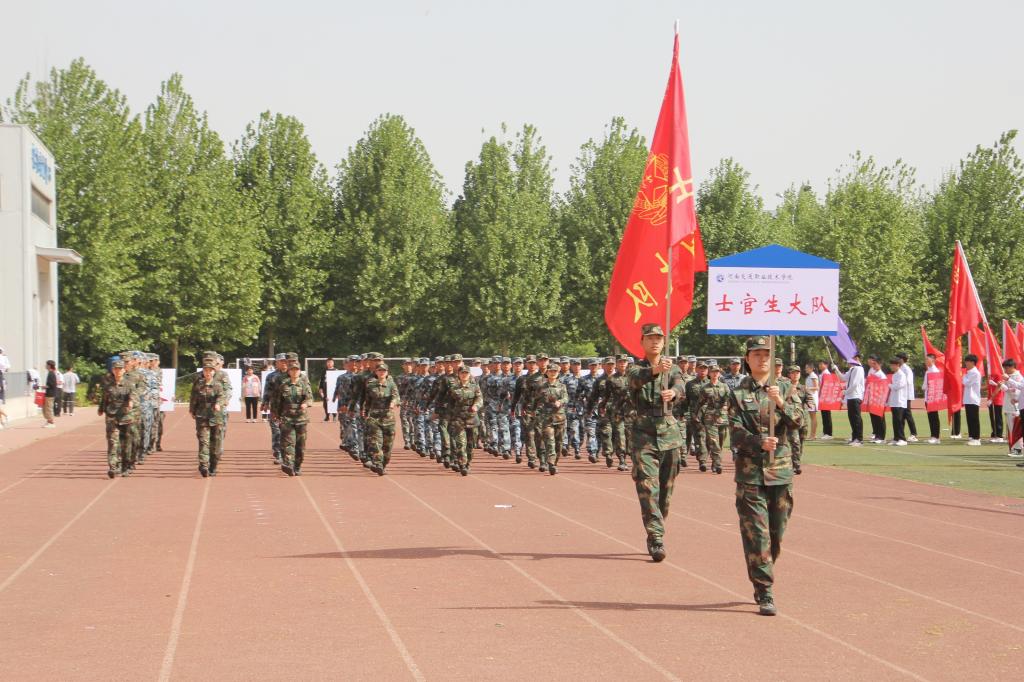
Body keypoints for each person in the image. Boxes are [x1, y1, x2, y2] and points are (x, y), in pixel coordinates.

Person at [729, 336, 801, 616]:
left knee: (775, 535)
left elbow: (799, 422)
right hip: (751, 475)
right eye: (756, 354)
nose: (762, 359)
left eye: (766, 354)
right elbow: (735, 431)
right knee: (757, 535)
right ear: (747, 359)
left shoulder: (785, 388)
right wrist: (758, 442)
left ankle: (763, 569)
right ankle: (764, 590)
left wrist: (780, 402)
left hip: (780, 473)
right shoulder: (737, 393)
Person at [626, 324, 685, 562]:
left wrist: (674, 393)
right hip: (644, 435)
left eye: (659, 338)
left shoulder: (673, 368)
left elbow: (681, 385)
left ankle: (657, 524)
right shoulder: (634, 368)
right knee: (648, 487)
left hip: (669, 435)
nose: (655, 342)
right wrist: (655, 370)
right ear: (642, 342)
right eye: (650, 338)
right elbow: (634, 381)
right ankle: (656, 536)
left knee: (665, 491)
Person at [98, 359, 138, 478]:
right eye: (116, 369)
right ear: (112, 370)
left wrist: (130, 403)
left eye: (120, 369)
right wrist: (101, 409)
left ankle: (126, 466)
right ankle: (113, 467)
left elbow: (133, 397)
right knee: (112, 442)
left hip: (126, 417)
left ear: (124, 370)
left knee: (126, 444)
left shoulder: (129, 384)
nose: (118, 371)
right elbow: (104, 399)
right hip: (112, 417)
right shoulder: (108, 386)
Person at [189, 357, 228, 477]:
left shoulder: (218, 385)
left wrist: (218, 404)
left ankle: (213, 466)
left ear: (214, 372)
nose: (208, 373)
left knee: (215, 444)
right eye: (206, 370)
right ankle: (204, 465)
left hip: (216, 417)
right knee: (203, 441)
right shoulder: (198, 384)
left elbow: (222, 397)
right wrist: (192, 410)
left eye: (210, 370)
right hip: (202, 417)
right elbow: (193, 398)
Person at [362, 362, 400, 475]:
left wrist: (393, 403)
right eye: (379, 370)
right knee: (376, 443)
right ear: (376, 372)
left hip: (388, 419)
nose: (382, 372)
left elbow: (396, 397)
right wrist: (365, 413)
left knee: (387, 447)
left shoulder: (391, 384)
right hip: (374, 419)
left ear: (387, 372)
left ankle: (383, 464)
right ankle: (378, 464)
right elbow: (367, 401)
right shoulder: (370, 385)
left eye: (384, 371)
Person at [696, 361, 730, 474]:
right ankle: (718, 464)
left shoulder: (724, 386)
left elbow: (730, 401)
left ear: (719, 373)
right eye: (713, 372)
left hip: (723, 417)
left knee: (721, 441)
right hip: (710, 417)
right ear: (709, 373)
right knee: (714, 441)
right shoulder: (705, 388)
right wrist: (697, 416)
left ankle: (714, 462)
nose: (715, 374)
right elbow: (700, 403)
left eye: (717, 372)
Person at [447, 365, 482, 475]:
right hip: (459, 419)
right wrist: (450, 417)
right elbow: (449, 403)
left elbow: (479, 398)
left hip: (472, 419)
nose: (464, 375)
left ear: (469, 374)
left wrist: (476, 406)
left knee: (470, 444)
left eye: (466, 373)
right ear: (458, 374)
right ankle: (462, 464)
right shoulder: (453, 389)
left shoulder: (475, 387)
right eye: (462, 373)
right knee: (461, 443)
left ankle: (468, 463)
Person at [537, 362, 569, 474]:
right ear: (547, 372)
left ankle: (554, 463)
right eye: (551, 371)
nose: (553, 373)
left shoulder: (562, 386)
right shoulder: (541, 387)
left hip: (560, 418)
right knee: (550, 441)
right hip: (546, 419)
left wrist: (560, 402)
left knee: (559, 443)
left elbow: (566, 398)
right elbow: (536, 401)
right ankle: (550, 463)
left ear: (558, 373)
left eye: (555, 371)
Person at [262, 353, 289, 464]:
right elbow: (267, 391)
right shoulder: (271, 376)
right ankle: (278, 454)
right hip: (275, 408)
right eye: (281, 361)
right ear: (276, 363)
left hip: (289, 409)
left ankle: (287, 454)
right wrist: (265, 403)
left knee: (287, 432)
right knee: (276, 431)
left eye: (285, 361)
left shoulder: (292, 374)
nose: (283, 363)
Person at [834, 354, 865, 446]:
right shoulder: (852, 369)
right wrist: (836, 370)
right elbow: (843, 378)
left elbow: (854, 384)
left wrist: (845, 392)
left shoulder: (859, 369)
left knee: (856, 418)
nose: (848, 362)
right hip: (851, 396)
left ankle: (859, 439)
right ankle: (854, 437)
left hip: (856, 396)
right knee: (852, 418)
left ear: (856, 359)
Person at [995, 359, 1020, 454]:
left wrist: (1005, 386)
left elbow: (1016, 392)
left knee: (1016, 429)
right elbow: (1007, 390)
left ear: (1012, 367)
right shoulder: (1008, 376)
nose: (1005, 370)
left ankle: (1017, 449)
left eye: (1006, 368)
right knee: (1011, 428)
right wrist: (1001, 385)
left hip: (1015, 407)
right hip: (1008, 406)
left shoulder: (1017, 377)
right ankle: (1013, 448)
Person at [896, 352, 919, 442]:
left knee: (907, 415)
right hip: (901, 395)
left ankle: (913, 434)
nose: (896, 360)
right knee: (901, 416)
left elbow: (908, 381)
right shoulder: (900, 368)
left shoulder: (906, 369)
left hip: (906, 395)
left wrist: (899, 383)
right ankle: (901, 434)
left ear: (902, 359)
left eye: (898, 358)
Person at [865, 355, 887, 443]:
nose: (873, 365)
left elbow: (884, 389)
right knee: (874, 418)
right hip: (873, 399)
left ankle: (881, 437)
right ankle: (877, 435)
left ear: (880, 364)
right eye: (873, 364)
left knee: (880, 418)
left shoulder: (882, 375)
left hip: (879, 400)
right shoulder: (873, 374)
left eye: (875, 364)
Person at [887, 358, 908, 446]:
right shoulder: (894, 375)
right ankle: (896, 438)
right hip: (894, 401)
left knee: (899, 421)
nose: (891, 366)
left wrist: (889, 385)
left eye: (892, 365)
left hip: (900, 401)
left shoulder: (901, 375)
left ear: (897, 365)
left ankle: (902, 439)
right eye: (891, 365)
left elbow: (898, 386)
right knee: (895, 421)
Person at [962, 354, 982, 445]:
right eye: (965, 361)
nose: (966, 363)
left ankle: (976, 438)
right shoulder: (968, 373)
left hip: (973, 399)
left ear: (973, 362)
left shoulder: (975, 373)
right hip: (968, 399)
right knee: (969, 418)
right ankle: (971, 436)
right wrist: (964, 377)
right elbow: (965, 382)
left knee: (974, 419)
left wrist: (963, 377)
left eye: (967, 361)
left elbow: (967, 383)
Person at [922, 353, 942, 444]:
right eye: (925, 359)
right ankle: (933, 436)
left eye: (928, 359)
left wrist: (925, 387)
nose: (926, 361)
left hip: (932, 398)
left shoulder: (935, 371)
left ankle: (936, 437)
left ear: (933, 360)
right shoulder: (928, 371)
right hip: (927, 397)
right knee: (931, 417)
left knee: (934, 417)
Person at [816, 360, 834, 440]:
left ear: (826, 365)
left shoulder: (827, 373)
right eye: (819, 364)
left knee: (827, 415)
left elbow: (828, 386)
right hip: (822, 396)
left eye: (821, 364)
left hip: (826, 397)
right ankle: (825, 432)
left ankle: (828, 433)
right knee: (824, 415)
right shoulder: (823, 373)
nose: (819, 365)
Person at [803, 362, 819, 441]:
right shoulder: (809, 376)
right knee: (811, 417)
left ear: (811, 368)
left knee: (813, 417)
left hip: (812, 398)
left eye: (807, 368)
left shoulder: (813, 375)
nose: (805, 369)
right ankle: (812, 435)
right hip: (809, 398)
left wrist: (807, 388)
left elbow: (816, 387)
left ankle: (813, 435)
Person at [42, 360, 58, 428]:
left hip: (50, 394)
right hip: (50, 393)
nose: (45, 366)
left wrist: (44, 387)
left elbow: (51, 385)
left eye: (46, 365)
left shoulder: (51, 373)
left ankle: (51, 422)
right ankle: (48, 421)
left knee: (49, 408)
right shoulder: (51, 373)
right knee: (46, 408)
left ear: (49, 366)